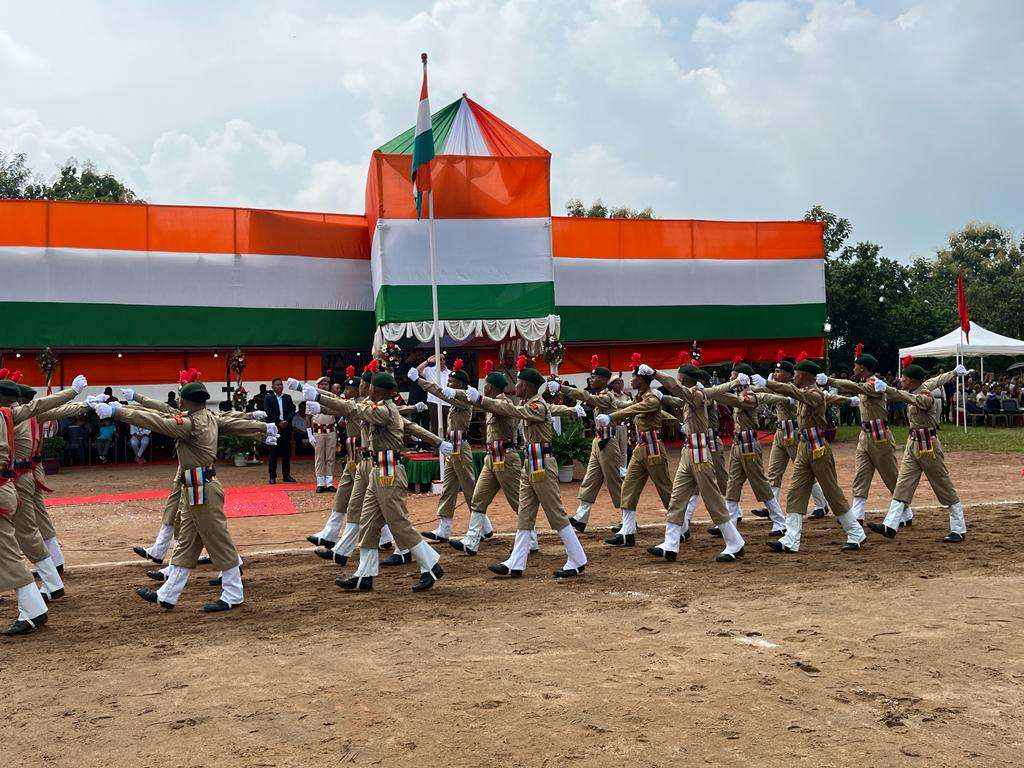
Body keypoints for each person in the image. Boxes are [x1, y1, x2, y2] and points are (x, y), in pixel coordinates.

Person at [92, 379, 276, 612]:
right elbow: (230, 422)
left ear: (187, 401)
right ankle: (168, 594)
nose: (178, 401)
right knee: (187, 542)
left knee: (219, 541)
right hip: (196, 487)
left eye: (181, 397)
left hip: (202, 488)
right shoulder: (207, 417)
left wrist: (117, 411)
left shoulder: (189, 424)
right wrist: (260, 427)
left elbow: (157, 420)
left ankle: (233, 594)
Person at [302, 372, 449, 592]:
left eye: (369, 387)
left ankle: (431, 564)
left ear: (377, 390)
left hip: (388, 472)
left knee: (399, 523)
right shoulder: (383, 408)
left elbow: (353, 409)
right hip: (377, 471)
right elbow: (407, 425)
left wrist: (320, 397)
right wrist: (437, 442)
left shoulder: (383, 410)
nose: (367, 389)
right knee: (369, 524)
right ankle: (364, 575)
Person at [465, 364, 588, 579]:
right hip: (530, 463)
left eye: (519, 383)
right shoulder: (529, 403)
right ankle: (517, 561)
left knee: (555, 513)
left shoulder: (536, 406)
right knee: (525, 514)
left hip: (542, 464)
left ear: (529, 386)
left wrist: (481, 400)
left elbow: (514, 411)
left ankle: (577, 558)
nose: (516, 387)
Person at [0, 369, 87, 636]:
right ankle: (47, 586)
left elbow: (48, 406)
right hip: (16, 479)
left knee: (17, 541)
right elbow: (50, 406)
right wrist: (77, 396)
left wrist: (76, 395)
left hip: (18, 478)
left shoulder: (11, 414)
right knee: (21, 537)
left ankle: (38, 602)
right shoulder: (12, 415)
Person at [762, 355, 866, 552]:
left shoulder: (814, 394)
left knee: (832, 492)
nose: (794, 378)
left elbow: (795, 391)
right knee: (795, 493)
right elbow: (804, 393)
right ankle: (791, 540)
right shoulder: (805, 392)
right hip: (803, 446)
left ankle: (856, 533)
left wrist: (769, 383)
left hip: (818, 448)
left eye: (796, 374)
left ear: (804, 375)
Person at [648, 359, 746, 562]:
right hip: (688, 451)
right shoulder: (691, 396)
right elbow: (678, 397)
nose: (677, 379)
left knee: (712, 499)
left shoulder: (697, 394)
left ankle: (735, 542)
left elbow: (677, 387)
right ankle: (671, 544)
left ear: (684, 379)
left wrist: (655, 372)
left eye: (679, 376)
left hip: (700, 452)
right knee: (677, 499)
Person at [867, 362, 969, 543]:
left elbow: (911, 399)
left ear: (912, 380)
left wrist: (889, 390)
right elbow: (937, 380)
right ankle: (890, 525)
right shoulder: (923, 386)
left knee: (943, 485)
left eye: (904, 377)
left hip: (928, 445)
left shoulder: (924, 396)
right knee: (902, 484)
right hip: (912, 443)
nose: (901, 379)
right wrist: (953, 372)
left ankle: (959, 529)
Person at [825, 346, 913, 527]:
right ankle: (857, 514)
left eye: (856, 366)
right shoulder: (866, 384)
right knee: (861, 475)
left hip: (879, 435)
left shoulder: (874, 383)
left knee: (891, 477)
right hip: (865, 435)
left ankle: (905, 512)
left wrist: (831, 381)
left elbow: (856, 387)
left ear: (863, 368)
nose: (853, 369)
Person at [598, 358, 673, 547]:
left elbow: (635, 409)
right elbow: (628, 406)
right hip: (640, 448)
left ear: (643, 379)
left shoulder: (651, 398)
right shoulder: (640, 397)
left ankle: (681, 528)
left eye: (634, 376)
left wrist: (612, 416)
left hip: (653, 448)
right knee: (628, 488)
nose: (631, 379)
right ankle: (627, 532)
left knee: (665, 490)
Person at [750, 356, 830, 523]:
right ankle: (771, 507)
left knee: (806, 470)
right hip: (780, 432)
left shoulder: (797, 390)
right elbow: (765, 393)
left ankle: (821, 504)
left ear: (788, 375)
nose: (775, 374)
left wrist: (767, 385)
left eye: (779, 372)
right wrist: (748, 389)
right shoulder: (781, 388)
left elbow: (782, 394)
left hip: (794, 433)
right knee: (773, 471)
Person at [409, 356, 476, 542]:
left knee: (469, 487)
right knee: (448, 488)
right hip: (451, 447)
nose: (448, 383)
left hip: (460, 447)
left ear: (460, 384)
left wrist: (419, 381)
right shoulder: (457, 398)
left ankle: (482, 526)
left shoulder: (463, 398)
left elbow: (438, 392)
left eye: (452, 381)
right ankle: (444, 529)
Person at [448, 363, 513, 556]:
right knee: (478, 499)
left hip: (506, 458)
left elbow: (496, 406)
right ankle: (472, 540)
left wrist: (480, 399)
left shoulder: (504, 403)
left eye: (486, 385)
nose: (483, 387)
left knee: (517, 502)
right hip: (491, 457)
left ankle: (531, 539)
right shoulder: (488, 401)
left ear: (491, 387)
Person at [563, 359, 625, 533]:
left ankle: (628, 520)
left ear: (604, 380)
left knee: (615, 483)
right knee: (590, 481)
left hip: (608, 443)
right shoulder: (601, 395)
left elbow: (587, 397)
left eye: (595, 377)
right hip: (598, 443)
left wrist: (563, 389)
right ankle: (580, 518)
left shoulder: (607, 396)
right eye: (591, 376)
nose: (591, 379)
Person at [307, 376, 339, 493]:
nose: (324, 386)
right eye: (322, 384)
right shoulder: (311, 399)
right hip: (318, 431)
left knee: (330, 457)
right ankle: (320, 483)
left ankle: (329, 483)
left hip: (331, 430)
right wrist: (309, 434)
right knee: (319, 457)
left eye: (326, 384)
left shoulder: (332, 398)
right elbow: (308, 417)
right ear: (318, 386)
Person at [264, 378, 297, 484]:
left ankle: (286, 475)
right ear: (272, 387)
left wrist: (286, 421)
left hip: (286, 428)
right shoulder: (268, 398)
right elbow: (268, 412)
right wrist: (279, 422)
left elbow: (292, 410)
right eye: (277, 385)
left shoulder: (287, 397)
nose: (279, 386)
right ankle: (272, 476)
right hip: (274, 428)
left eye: (281, 385)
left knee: (286, 453)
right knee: (273, 453)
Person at [420, 354, 451, 434]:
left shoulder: (451, 373)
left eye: (443, 359)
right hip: (434, 401)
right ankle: (436, 445)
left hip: (448, 402)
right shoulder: (429, 370)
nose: (442, 361)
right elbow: (416, 371)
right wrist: (427, 361)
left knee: (448, 426)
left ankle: (447, 444)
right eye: (440, 359)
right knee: (435, 426)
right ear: (435, 360)